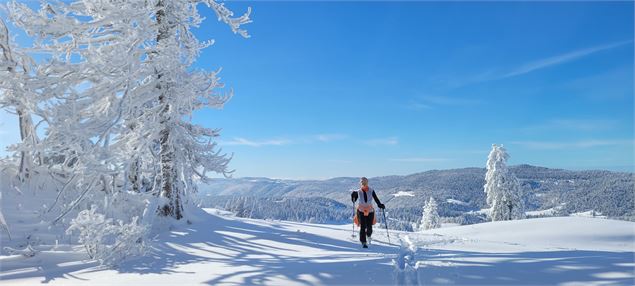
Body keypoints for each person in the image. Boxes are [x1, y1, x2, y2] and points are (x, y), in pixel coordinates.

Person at [351, 177, 385, 248]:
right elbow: (354, 200)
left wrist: (380, 205)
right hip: (361, 211)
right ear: (360, 184)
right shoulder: (358, 191)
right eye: (362, 183)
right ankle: (363, 242)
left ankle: (368, 235)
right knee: (363, 226)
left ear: (367, 183)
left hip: (370, 211)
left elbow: (376, 199)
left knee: (369, 227)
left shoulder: (371, 191)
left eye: (364, 183)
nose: (363, 184)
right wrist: (353, 196)